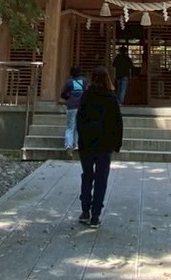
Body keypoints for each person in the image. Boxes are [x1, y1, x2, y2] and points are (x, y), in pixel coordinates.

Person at [75, 65, 123, 228]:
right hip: (105, 143)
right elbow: (117, 122)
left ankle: (85, 211)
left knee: (87, 175)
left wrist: (80, 138)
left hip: (87, 143)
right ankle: (96, 214)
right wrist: (117, 144)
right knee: (101, 179)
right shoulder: (111, 97)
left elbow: (79, 119)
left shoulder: (86, 96)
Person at [58, 66, 87, 151]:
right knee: (79, 126)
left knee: (70, 127)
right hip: (81, 106)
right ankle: (78, 144)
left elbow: (63, 94)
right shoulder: (84, 81)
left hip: (71, 106)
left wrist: (69, 98)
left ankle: (68, 145)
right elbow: (88, 93)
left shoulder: (69, 82)